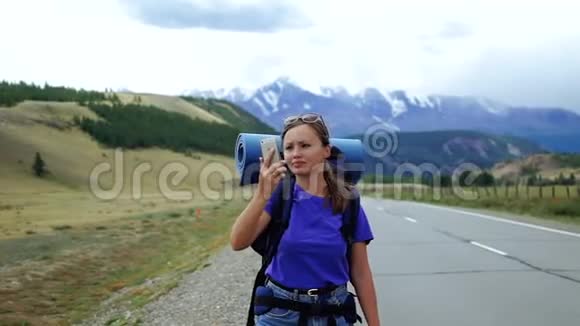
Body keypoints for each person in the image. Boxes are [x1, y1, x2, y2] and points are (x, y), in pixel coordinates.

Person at [230, 113, 380, 325]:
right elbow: (237, 242)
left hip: (333, 313)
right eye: (289, 147)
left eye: (305, 145)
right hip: (280, 314)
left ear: (326, 151)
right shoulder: (279, 196)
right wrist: (262, 194)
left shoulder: (348, 202)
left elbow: (361, 272)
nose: (296, 154)